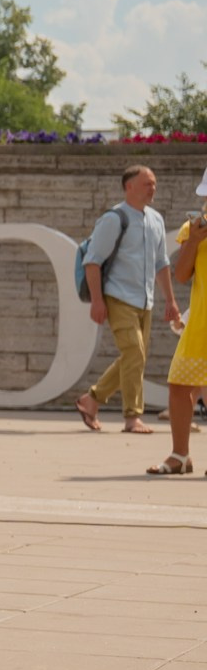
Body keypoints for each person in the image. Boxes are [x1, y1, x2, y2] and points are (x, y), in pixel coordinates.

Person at [76, 165, 180, 433]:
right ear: (129, 186)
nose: (153, 188)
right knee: (134, 352)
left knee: (134, 356)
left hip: (145, 300)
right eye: (147, 183)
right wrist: (97, 301)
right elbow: (92, 262)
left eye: (154, 183)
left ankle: (92, 399)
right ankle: (132, 417)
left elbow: (162, 262)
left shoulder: (156, 219)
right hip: (118, 296)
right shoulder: (114, 218)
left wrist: (170, 300)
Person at [151, 178, 207, 475]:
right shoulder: (193, 229)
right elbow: (183, 275)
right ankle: (180, 455)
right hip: (200, 321)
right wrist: (195, 240)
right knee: (178, 385)